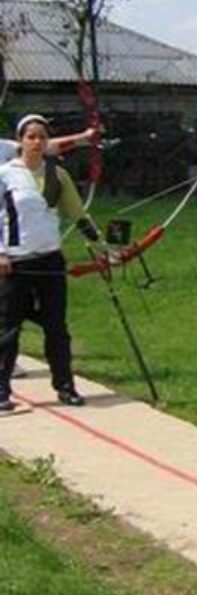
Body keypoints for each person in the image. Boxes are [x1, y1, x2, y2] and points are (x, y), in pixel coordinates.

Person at [0, 114, 103, 410]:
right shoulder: (5, 174)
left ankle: (65, 386)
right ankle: (2, 390)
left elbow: (76, 211)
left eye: (41, 137)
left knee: (57, 327)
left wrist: (101, 243)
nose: (36, 142)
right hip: (15, 263)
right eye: (30, 136)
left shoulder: (57, 175)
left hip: (49, 260)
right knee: (8, 328)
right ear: (19, 141)